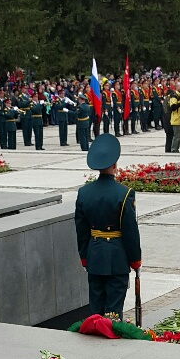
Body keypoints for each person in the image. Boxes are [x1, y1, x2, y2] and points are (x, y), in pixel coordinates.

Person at [74, 133, 141, 319]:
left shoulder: (84, 193)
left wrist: (84, 256)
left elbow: (81, 230)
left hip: (94, 256)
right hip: (117, 259)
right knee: (113, 312)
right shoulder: (125, 193)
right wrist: (135, 259)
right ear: (115, 164)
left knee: (95, 310)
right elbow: (130, 231)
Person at [165, 81, 180, 154]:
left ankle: (177, 148)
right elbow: (173, 107)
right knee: (176, 135)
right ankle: (174, 149)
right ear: (176, 87)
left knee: (179, 136)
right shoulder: (174, 96)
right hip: (175, 119)